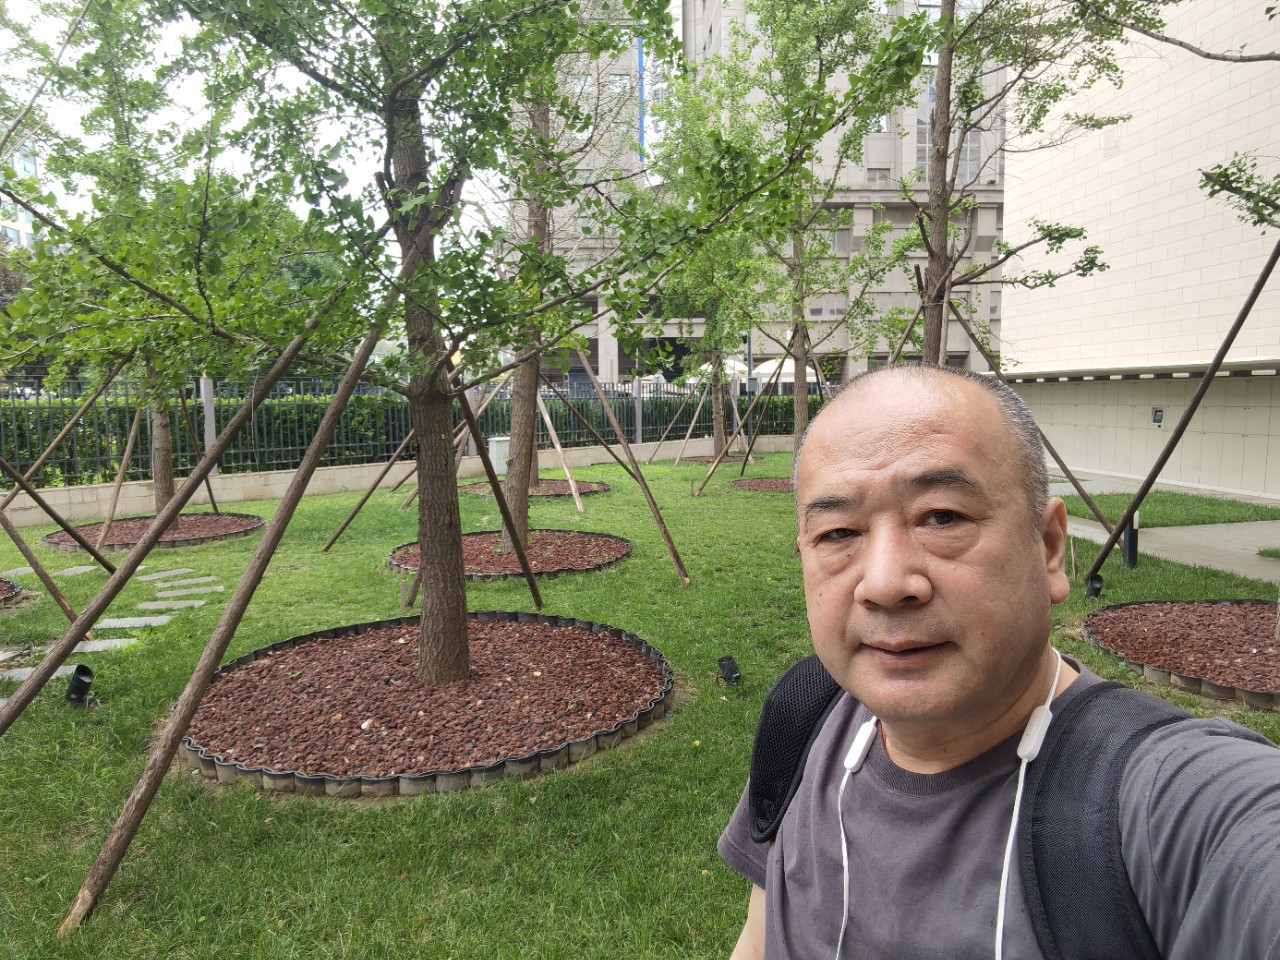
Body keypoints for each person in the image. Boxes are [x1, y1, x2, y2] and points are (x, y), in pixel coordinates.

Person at [718, 363, 1280, 960]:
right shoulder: (806, 716)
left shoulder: (1174, 807)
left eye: (942, 517)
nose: (884, 583)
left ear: (1049, 549)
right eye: (837, 533)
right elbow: (759, 938)